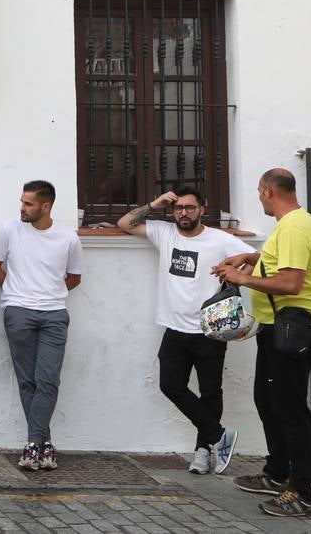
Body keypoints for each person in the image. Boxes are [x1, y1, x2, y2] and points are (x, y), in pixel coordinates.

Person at [214, 168, 311, 518]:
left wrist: (241, 278)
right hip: (275, 328)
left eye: (258, 191)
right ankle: (277, 473)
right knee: (268, 400)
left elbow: (291, 282)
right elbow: (280, 265)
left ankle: (301, 491)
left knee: (290, 409)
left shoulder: (293, 226)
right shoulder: (294, 223)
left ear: (266, 190)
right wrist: (250, 258)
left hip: (291, 330)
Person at [118, 186, 251, 474]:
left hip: (210, 330)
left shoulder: (219, 239)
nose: (184, 213)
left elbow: (257, 258)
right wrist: (154, 203)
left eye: (190, 208)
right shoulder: (164, 232)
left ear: (202, 209)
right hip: (175, 329)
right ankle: (219, 436)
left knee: (210, 392)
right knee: (171, 385)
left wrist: (237, 272)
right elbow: (124, 224)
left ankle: (202, 452)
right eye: (179, 208)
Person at [0, 180, 82, 472]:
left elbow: (74, 277)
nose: (22, 208)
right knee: (27, 380)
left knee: (48, 380)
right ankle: (44, 445)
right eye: (22, 201)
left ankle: (33, 443)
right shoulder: (9, 230)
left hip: (54, 314)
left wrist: (47, 292)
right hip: (18, 312)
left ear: (45, 206)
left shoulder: (68, 237)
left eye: (28, 204)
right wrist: (15, 292)